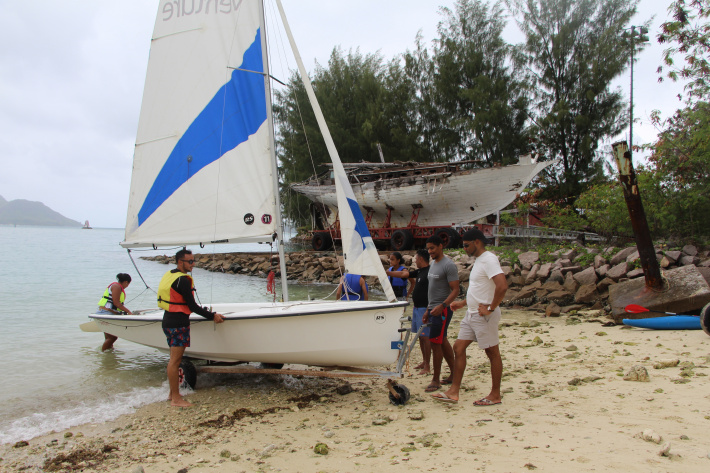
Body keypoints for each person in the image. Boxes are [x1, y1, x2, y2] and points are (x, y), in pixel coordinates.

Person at [432, 228, 508, 406]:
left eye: (466, 245)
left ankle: (495, 395)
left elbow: (502, 286)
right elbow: (480, 289)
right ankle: (453, 391)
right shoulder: (479, 261)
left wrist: (490, 307)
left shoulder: (489, 259)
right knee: (458, 347)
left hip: (484, 316)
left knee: (492, 353)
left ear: (477, 242)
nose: (464, 249)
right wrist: (463, 303)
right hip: (471, 313)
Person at [158, 249, 225, 407]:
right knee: (175, 361)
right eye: (190, 261)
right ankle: (175, 398)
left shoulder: (170, 274)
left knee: (174, 360)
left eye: (193, 261)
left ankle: (171, 394)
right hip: (178, 324)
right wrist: (212, 315)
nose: (193, 264)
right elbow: (192, 306)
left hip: (168, 321)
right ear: (180, 262)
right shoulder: (183, 280)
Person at [422, 235, 459, 392]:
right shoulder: (432, 264)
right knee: (442, 341)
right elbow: (432, 291)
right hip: (432, 309)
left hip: (442, 310)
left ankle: (436, 380)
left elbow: (456, 290)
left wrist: (443, 305)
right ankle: (454, 374)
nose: (430, 251)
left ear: (440, 246)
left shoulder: (448, 265)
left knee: (435, 343)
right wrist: (427, 310)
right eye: (428, 248)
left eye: (432, 248)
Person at [405, 249, 432, 375]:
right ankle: (424, 361)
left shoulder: (430, 272)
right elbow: (405, 275)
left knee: (426, 337)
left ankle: (428, 365)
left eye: (416, 259)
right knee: (420, 336)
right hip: (416, 307)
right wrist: (387, 272)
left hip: (424, 308)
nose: (415, 261)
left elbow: (432, 292)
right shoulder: (420, 271)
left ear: (421, 259)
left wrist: (428, 309)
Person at [97, 273, 133, 351]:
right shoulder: (116, 287)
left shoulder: (116, 286)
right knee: (113, 337)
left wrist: (120, 312)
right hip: (105, 313)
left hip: (105, 312)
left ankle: (109, 353)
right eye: (128, 284)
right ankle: (103, 353)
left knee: (109, 337)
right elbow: (116, 303)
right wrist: (129, 311)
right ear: (126, 282)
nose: (127, 286)